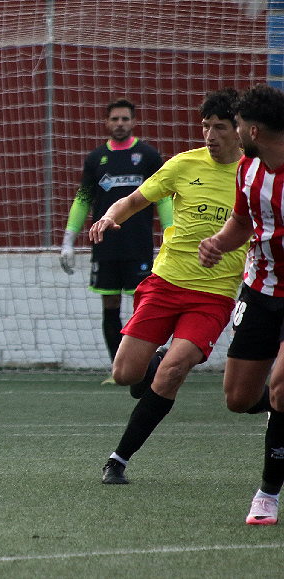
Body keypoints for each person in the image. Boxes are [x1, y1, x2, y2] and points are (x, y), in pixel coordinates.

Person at [89, 89, 246, 485]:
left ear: (239, 130)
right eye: (206, 126)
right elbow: (133, 200)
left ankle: (118, 460)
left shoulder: (254, 174)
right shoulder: (183, 164)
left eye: (219, 127)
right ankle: (154, 360)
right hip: (165, 283)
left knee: (173, 371)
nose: (210, 135)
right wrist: (109, 216)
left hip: (213, 295)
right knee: (125, 374)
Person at [198, 83, 284, 525]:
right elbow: (241, 222)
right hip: (260, 292)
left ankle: (267, 494)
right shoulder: (247, 169)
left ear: (252, 130)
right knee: (238, 398)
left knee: (281, 387)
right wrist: (218, 242)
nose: (230, 133)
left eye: (235, 125)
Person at [60, 99, 171, 384]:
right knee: (109, 307)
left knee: (142, 310)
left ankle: (145, 370)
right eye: (115, 119)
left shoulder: (148, 156)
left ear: (133, 122)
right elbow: (83, 199)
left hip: (138, 246)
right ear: (107, 123)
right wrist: (68, 239)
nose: (120, 124)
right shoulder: (96, 159)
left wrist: (172, 233)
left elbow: (163, 199)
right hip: (105, 247)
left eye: (124, 119)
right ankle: (117, 370)